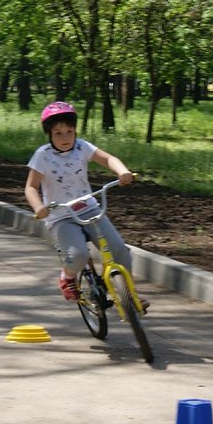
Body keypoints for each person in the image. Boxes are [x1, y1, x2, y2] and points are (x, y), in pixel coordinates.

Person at [23, 101, 138, 302]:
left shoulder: (82, 147)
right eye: (58, 133)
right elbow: (31, 187)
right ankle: (67, 277)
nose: (65, 137)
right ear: (49, 134)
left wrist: (123, 171)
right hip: (60, 216)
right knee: (77, 255)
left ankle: (127, 294)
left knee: (119, 249)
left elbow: (108, 159)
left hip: (89, 209)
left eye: (69, 131)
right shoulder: (43, 155)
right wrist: (39, 207)